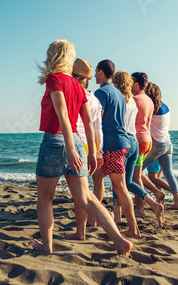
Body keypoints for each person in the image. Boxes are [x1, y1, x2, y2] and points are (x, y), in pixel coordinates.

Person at [31, 40, 132, 256]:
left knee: (44, 199)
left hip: (57, 142)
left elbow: (63, 115)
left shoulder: (54, 80)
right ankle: (120, 241)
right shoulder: (78, 85)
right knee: (86, 199)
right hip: (78, 141)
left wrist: (69, 149)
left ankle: (47, 248)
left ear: (53, 56)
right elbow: (87, 123)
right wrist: (92, 152)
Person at [94, 60, 163, 233]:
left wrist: (97, 147)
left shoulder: (103, 93)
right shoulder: (125, 97)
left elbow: (97, 120)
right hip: (131, 141)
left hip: (114, 144)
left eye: (96, 72)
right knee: (107, 180)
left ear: (101, 72)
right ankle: (101, 216)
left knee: (121, 186)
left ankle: (131, 226)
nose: (95, 75)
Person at [71, 58, 104, 235]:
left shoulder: (71, 94)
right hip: (86, 144)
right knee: (83, 192)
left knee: (80, 194)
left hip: (72, 142)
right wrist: (98, 151)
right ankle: (82, 230)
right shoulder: (94, 100)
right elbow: (98, 130)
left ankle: (82, 231)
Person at [142, 82, 178, 210]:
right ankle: (177, 202)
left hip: (157, 145)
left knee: (135, 171)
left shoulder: (152, 109)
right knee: (169, 174)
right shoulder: (165, 107)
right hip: (168, 144)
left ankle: (152, 193)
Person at [131, 72, 165, 218]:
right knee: (136, 174)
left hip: (138, 140)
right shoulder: (149, 100)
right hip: (147, 140)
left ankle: (140, 209)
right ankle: (157, 192)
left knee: (136, 177)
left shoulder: (135, 100)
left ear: (136, 84)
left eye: (131, 83)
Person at [111, 71, 138, 223]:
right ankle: (152, 203)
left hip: (123, 140)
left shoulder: (118, 100)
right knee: (125, 184)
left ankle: (117, 215)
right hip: (134, 141)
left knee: (118, 183)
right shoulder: (133, 101)